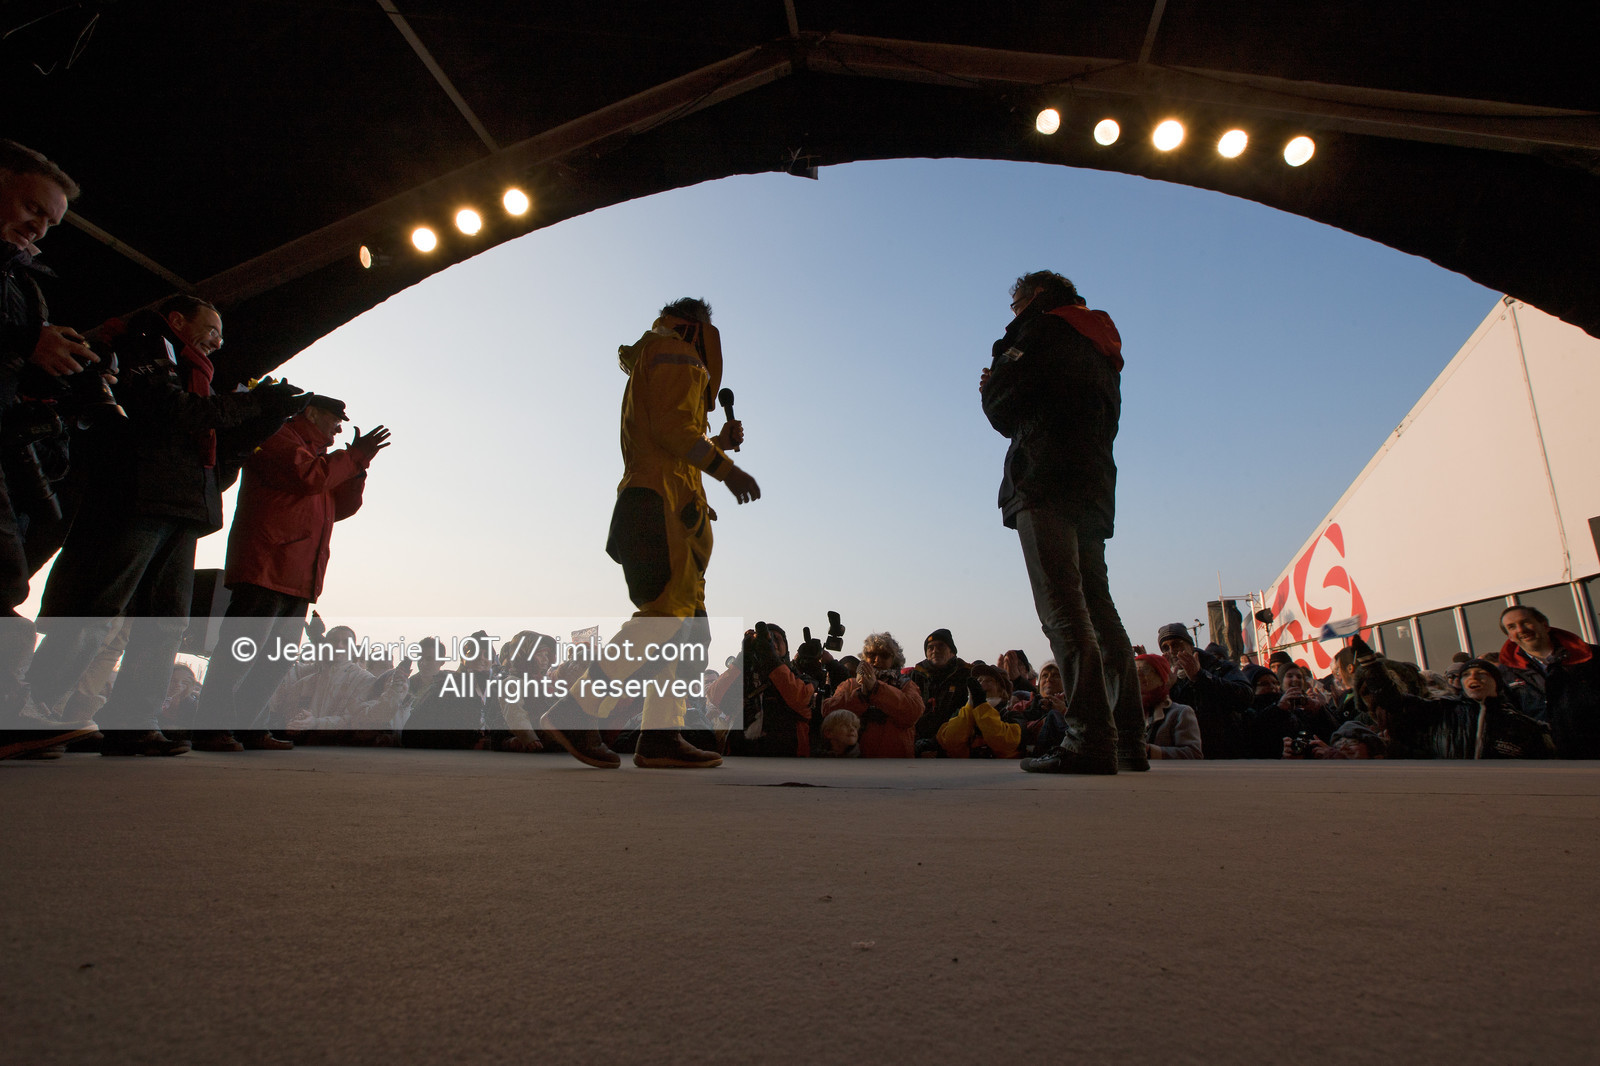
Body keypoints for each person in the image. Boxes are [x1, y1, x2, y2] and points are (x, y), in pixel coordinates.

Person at [19, 295, 307, 756]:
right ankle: (32, 708)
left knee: (167, 621)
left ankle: (134, 721)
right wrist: (251, 404)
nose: (219, 341)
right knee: (99, 604)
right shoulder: (144, 349)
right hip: (135, 497)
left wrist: (266, 415)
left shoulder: (199, 377)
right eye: (211, 330)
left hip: (183, 505)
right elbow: (172, 412)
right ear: (177, 321)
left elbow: (222, 448)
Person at [540, 297, 760, 769]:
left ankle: (661, 736)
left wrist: (715, 442)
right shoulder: (679, 353)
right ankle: (577, 709)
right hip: (663, 506)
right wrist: (727, 468)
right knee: (665, 619)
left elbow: (670, 433)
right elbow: (674, 430)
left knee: (686, 632)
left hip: (665, 505)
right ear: (699, 326)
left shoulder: (655, 355)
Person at [980, 270, 1143, 775]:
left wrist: (991, 383)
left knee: (1063, 610)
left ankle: (1089, 739)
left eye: (1015, 305)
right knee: (1098, 607)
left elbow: (1005, 406)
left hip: (1044, 477)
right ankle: (1127, 742)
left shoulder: (1041, 331)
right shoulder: (1100, 344)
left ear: (1032, 298)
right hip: (1092, 484)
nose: (1012, 316)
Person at [193, 394, 389, 751]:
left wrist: (358, 468)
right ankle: (211, 728)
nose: (339, 428)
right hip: (267, 565)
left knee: (276, 661)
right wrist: (353, 457)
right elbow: (309, 478)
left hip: (298, 574)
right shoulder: (277, 436)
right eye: (334, 419)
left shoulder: (319, 456)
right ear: (311, 413)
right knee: (242, 653)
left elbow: (341, 506)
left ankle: (249, 727)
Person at [0, 141, 105, 759]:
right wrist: (25, 339)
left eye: (49, 221)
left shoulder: (20, 278)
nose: (38, 226)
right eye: (31, 206)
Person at [1496, 605, 1600, 758]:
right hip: (1548, 759)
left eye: (1525, 622)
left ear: (1544, 625)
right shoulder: (1505, 674)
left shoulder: (1592, 656)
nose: (1521, 629)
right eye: (1512, 627)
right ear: (1510, 636)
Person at [1157, 622, 1251, 759]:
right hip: (1185, 757)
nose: (1171, 651)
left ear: (1190, 646)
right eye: (1166, 647)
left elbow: (1245, 697)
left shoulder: (1220, 668)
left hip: (1225, 755)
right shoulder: (1168, 678)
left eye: (1176, 644)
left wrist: (1200, 677)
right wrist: (1164, 690)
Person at [821, 632, 924, 757]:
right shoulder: (851, 684)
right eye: (871, 655)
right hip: (857, 761)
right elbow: (828, 711)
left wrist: (876, 689)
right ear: (865, 657)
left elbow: (913, 713)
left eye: (884, 655)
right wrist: (861, 696)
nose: (877, 660)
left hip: (897, 761)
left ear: (894, 660)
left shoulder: (906, 684)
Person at [935, 661, 1023, 759]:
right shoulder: (961, 713)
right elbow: (949, 741)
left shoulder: (1012, 715)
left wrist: (981, 704)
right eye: (979, 680)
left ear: (1003, 691)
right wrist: (970, 706)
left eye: (989, 681)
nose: (982, 684)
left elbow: (1006, 743)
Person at [910, 628, 971, 756]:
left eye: (941, 646)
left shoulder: (966, 675)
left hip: (953, 745)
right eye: (930, 647)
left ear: (952, 652)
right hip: (919, 744)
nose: (935, 651)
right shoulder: (915, 676)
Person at [1135, 653, 1202, 760]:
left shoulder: (1180, 713)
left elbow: (1193, 753)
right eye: (1134, 670)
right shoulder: (1125, 714)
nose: (1138, 674)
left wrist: (1150, 751)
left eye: (1145, 670)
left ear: (1162, 678)